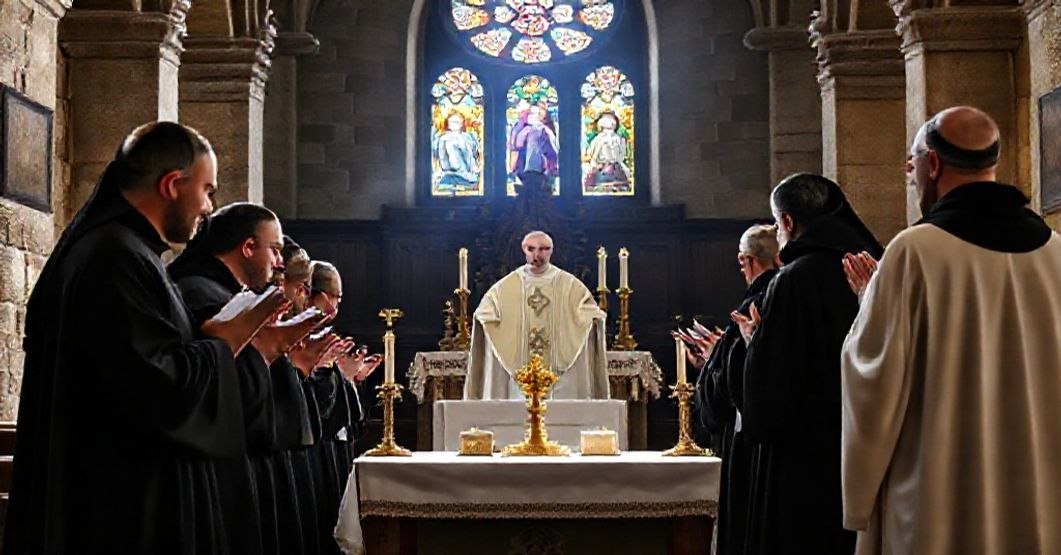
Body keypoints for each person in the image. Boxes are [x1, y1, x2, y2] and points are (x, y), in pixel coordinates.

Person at [4, 122, 287, 554]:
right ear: (172, 184)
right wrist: (223, 342)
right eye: (207, 190)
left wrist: (207, 340)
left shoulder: (123, 252)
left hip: (119, 491)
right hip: (120, 505)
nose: (209, 208)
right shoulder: (116, 259)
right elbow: (155, 387)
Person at [841, 107, 1061, 555]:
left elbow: (874, 379)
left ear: (933, 164)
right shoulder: (1057, 253)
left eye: (911, 164)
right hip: (1041, 487)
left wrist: (869, 303)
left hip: (937, 489)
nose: (911, 175)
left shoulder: (913, 251)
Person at [733, 173, 882, 555]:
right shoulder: (875, 268)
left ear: (787, 222)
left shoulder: (793, 280)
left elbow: (772, 386)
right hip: (864, 443)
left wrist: (756, 345)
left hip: (804, 455)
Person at [168, 203, 327, 555]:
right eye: (274, 249)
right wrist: (271, 349)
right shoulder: (201, 293)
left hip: (246, 454)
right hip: (222, 460)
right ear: (248, 247)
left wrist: (278, 346)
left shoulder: (226, 294)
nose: (280, 263)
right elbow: (212, 378)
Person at [694, 224, 778, 555]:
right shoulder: (784, 294)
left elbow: (732, 391)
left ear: (746, 260)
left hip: (749, 437)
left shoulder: (756, 302)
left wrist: (716, 358)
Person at [464, 231, 609, 400]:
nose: (537, 255)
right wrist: (486, 317)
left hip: (560, 383)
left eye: (543, 249)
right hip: (520, 381)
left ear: (551, 251)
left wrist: (593, 317)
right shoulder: (507, 286)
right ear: (523, 249)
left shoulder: (569, 285)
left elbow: (587, 310)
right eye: (531, 249)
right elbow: (487, 309)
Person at [304, 261, 380, 554]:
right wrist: (338, 375)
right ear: (312, 295)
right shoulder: (300, 335)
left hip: (335, 446)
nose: (335, 307)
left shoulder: (326, 334)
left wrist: (351, 379)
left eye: (339, 300)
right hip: (314, 448)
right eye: (332, 298)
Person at [509, 104, 560, 194]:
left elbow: (514, 152)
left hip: (526, 174)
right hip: (536, 174)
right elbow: (553, 152)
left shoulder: (522, 130)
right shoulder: (541, 130)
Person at [582, 111, 631, 193]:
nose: (609, 122)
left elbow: (622, 154)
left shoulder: (618, 138)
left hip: (615, 168)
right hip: (601, 167)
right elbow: (592, 152)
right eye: (605, 120)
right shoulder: (597, 139)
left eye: (611, 119)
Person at [433, 111, 480, 191]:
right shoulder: (444, 138)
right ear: (448, 123)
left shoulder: (468, 137)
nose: (455, 124)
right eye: (452, 122)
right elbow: (442, 158)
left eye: (457, 122)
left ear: (462, 123)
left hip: (467, 176)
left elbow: (472, 155)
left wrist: (474, 168)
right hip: (451, 174)